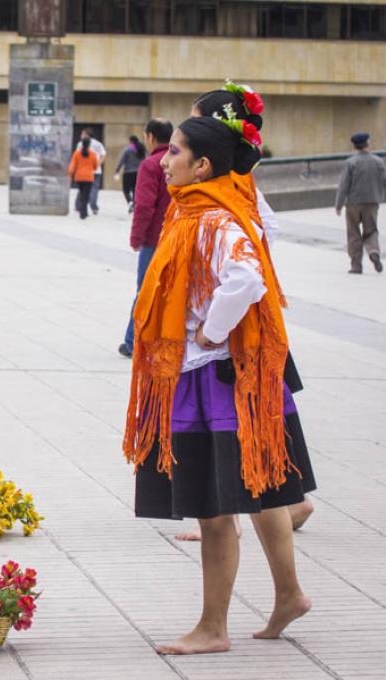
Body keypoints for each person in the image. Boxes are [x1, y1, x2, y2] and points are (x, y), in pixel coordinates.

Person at [124, 110, 316, 655]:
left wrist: (211, 330)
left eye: (177, 151)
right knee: (224, 509)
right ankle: (266, 602)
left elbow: (247, 276)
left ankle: (214, 627)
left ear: (203, 163)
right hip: (209, 376)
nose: (165, 160)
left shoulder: (212, 219)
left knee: (214, 513)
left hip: (211, 380)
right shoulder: (200, 211)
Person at [173, 83, 313, 541]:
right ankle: (234, 518)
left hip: (236, 338)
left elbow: (249, 265)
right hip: (236, 329)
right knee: (250, 441)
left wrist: (216, 321)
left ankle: (232, 517)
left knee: (245, 442)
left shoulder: (225, 198)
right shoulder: (217, 194)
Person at [119, 119, 172, 359]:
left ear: (150, 137)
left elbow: (144, 206)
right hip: (177, 237)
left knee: (146, 292)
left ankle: (133, 342)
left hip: (154, 240)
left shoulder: (151, 165)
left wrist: (136, 238)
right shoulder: (181, 162)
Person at [336, 132, 385, 274]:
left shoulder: (351, 162)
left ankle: (356, 265)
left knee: (353, 233)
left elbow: (344, 185)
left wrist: (339, 205)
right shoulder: (378, 161)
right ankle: (374, 252)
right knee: (371, 231)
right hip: (372, 201)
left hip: (353, 203)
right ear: (368, 144)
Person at [114, 135, 146, 212]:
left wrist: (117, 170)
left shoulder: (127, 150)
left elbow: (121, 161)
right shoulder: (141, 149)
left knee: (126, 190)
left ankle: (130, 201)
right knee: (135, 189)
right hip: (139, 173)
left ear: (130, 141)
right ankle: (134, 205)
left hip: (128, 173)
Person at [68, 140, 99, 219]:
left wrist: (70, 174)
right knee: (86, 195)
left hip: (79, 177)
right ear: (89, 145)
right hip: (89, 177)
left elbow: (72, 165)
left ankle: (83, 212)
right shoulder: (93, 154)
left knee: (82, 194)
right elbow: (96, 166)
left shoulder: (77, 154)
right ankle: (83, 212)